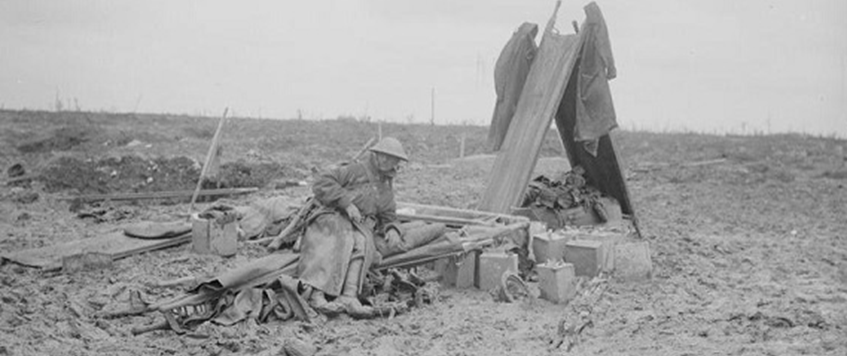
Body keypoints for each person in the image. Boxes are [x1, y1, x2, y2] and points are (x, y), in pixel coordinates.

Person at [296, 137, 412, 316]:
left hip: (359, 226)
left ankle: (349, 296)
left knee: (364, 243)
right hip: (333, 216)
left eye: (392, 159)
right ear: (376, 154)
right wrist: (346, 203)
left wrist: (392, 229)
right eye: (383, 156)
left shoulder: (386, 186)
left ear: (398, 162)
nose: (386, 161)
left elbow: (389, 215)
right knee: (335, 238)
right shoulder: (355, 170)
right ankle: (316, 293)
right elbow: (322, 182)